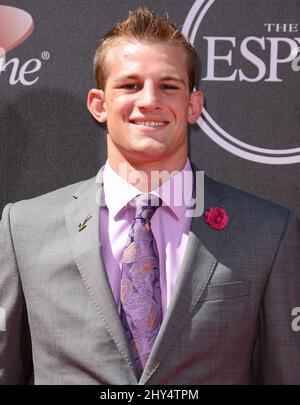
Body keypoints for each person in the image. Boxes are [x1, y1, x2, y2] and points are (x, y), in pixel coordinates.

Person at [1, 7, 300, 385]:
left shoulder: (267, 231)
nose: (149, 100)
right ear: (99, 104)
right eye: (130, 85)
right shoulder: (23, 228)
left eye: (169, 86)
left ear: (193, 106)